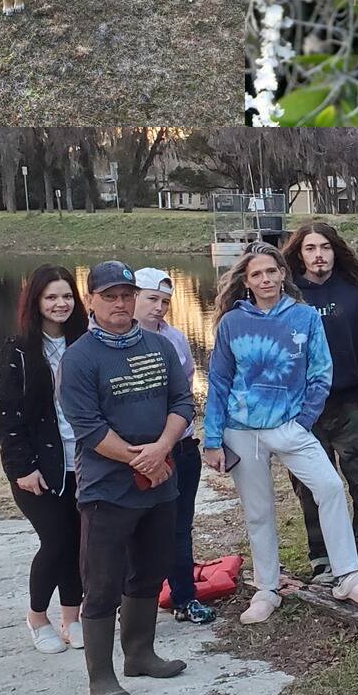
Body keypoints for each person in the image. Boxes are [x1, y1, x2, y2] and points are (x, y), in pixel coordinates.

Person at [202, 243, 358, 624]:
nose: (266, 279)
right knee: (259, 511)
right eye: (257, 274)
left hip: (290, 427)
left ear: (283, 274)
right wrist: (213, 438)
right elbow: (219, 381)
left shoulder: (303, 317)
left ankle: (348, 576)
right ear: (246, 281)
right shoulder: (233, 323)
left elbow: (321, 372)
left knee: (330, 488)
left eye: (272, 271)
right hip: (241, 430)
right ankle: (266, 588)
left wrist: (302, 421)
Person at [59, 261, 194, 695]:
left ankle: (140, 655)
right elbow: (88, 427)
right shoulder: (79, 358)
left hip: (161, 481)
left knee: (150, 572)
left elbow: (182, 402)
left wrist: (161, 450)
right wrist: (142, 459)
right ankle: (101, 676)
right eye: (109, 296)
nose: (120, 304)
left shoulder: (158, 347)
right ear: (91, 301)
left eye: (126, 295)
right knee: (101, 583)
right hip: (107, 490)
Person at [281, 223, 358, 584]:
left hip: (349, 403)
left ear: (335, 250)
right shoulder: (287, 294)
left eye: (324, 247)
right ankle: (323, 558)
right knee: (313, 486)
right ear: (299, 254)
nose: (318, 255)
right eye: (310, 249)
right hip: (302, 410)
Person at [0, 264, 88, 654]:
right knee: (56, 539)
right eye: (51, 296)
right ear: (36, 301)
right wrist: (22, 468)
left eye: (67, 295)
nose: (60, 303)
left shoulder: (85, 341)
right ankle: (37, 617)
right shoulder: (18, 350)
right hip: (40, 467)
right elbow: (8, 416)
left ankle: (72, 618)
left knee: (78, 541)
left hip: (82, 461)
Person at [132, 267, 215, 626]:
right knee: (133, 528)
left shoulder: (176, 339)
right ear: (132, 297)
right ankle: (132, 603)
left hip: (179, 447)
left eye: (165, 301)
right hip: (134, 453)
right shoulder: (104, 340)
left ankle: (185, 597)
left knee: (180, 525)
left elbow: (184, 395)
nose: (159, 308)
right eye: (152, 299)